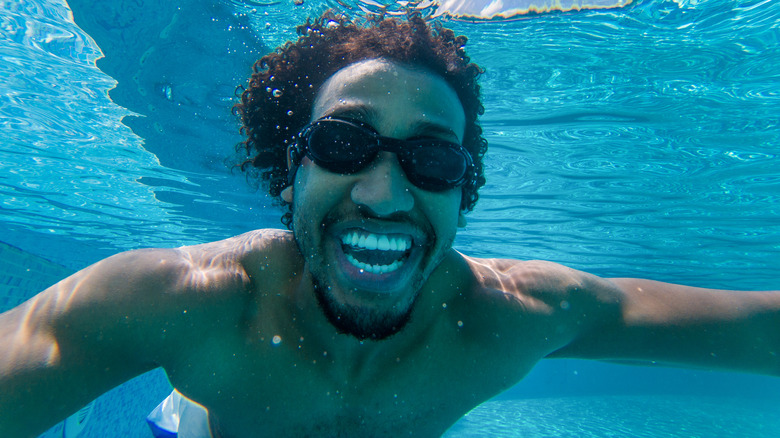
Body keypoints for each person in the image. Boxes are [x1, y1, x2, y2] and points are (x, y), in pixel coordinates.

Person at [1, 12, 779, 438]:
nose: (383, 192)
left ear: (463, 190)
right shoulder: (181, 301)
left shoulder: (515, 317)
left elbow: (754, 329)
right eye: (344, 144)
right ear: (291, 171)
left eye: (432, 159)